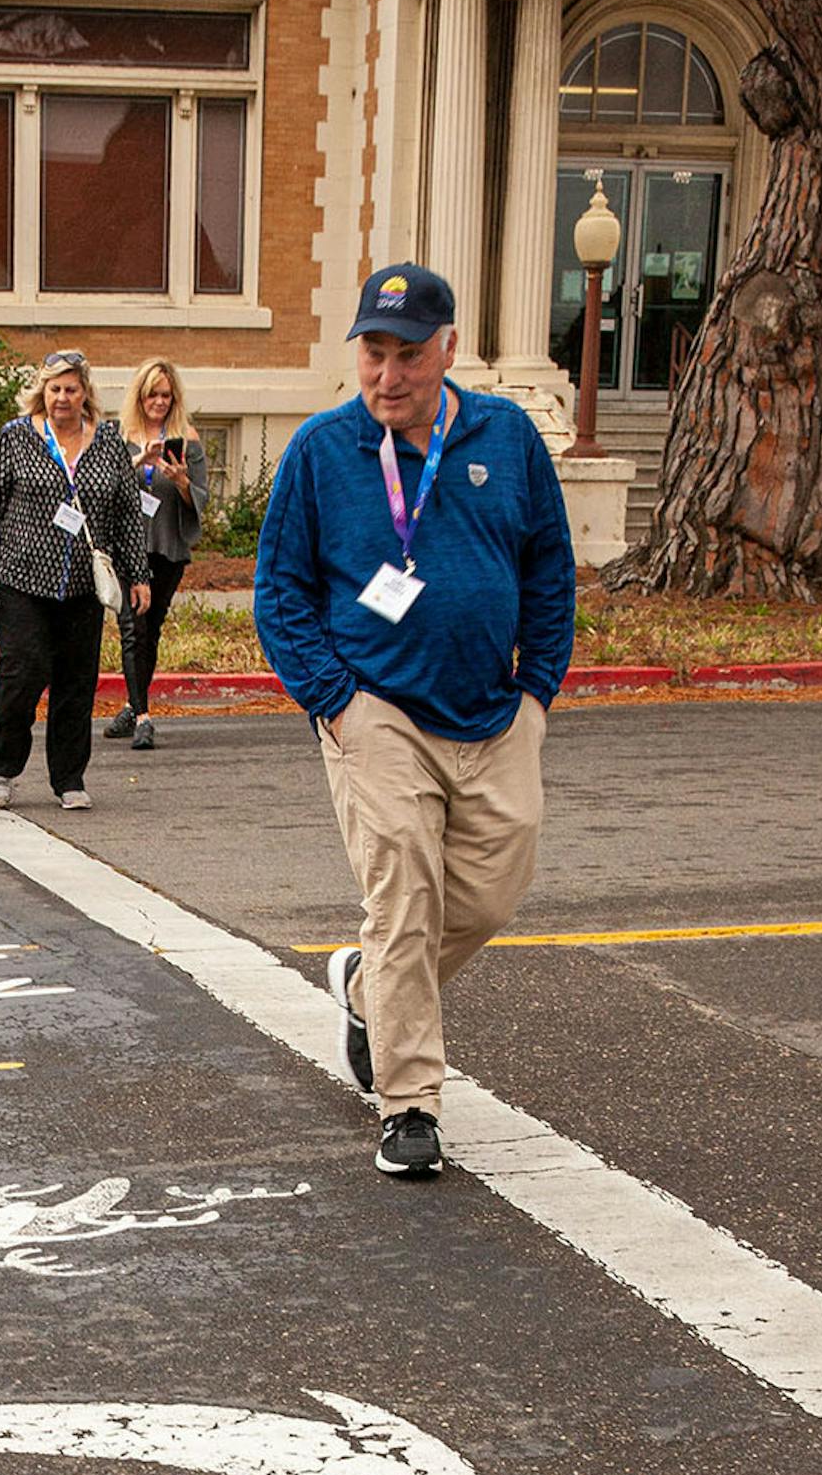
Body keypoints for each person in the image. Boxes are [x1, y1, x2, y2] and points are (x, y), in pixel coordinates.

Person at [254, 263, 575, 1179]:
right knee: (404, 894)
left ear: (448, 349)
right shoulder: (322, 451)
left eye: (406, 356)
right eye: (372, 353)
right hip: (377, 710)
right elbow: (279, 595)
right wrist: (338, 703)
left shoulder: (506, 438)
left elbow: (550, 570)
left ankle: (366, 989)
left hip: (493, 711)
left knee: (488, 891)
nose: (387, 376)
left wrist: (536, 693)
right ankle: (409, 1106)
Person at [0, 351, 150, 812]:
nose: (62, 397)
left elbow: (126, 512)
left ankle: (69, 778)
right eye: (54, 389)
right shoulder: (18, 438)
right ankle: (3, 769)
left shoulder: (106, 442)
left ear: (85, 393)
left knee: (76, 682)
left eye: (70, 389)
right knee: (22, 672)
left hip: (83, 586)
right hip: (22, 580)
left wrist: (138, 575)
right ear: (42, 393)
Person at [103, 357, 209, 752]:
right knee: (132, 626)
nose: (159, 402)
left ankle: (132, 706)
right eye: (152, 394)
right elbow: (105, 485)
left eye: (166, 395)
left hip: (166, 546)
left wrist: (181, 483)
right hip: (127, 547)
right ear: (140, 395)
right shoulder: (118, 436)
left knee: (152, 628)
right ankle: (144, 717)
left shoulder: (188, 439)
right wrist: (139, 461)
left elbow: (200, 497)